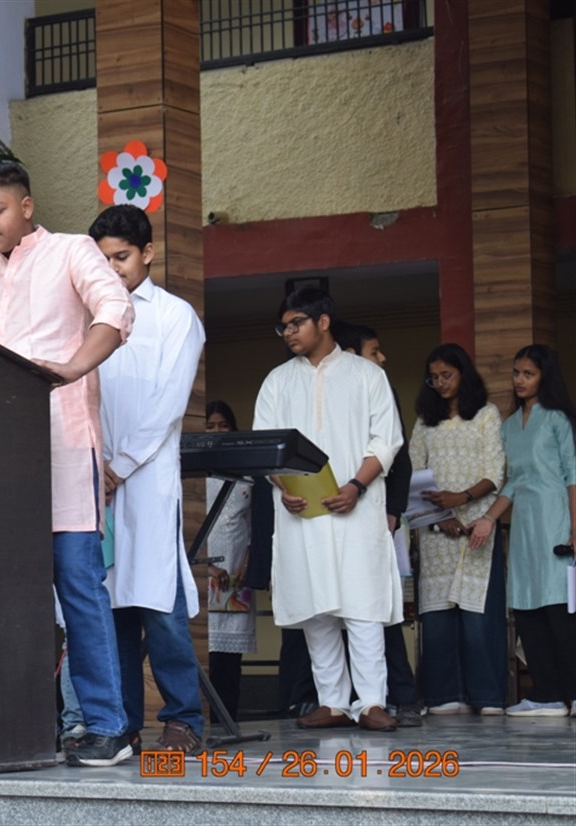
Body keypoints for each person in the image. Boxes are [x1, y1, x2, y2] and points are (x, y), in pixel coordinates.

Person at [0, 161, 135, 767]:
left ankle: (109, 726)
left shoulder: (71, 251)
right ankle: (24, 725)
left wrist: (74, 367)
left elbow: (115, 309)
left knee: (78, 586)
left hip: (64, 446)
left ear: (27, 206)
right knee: (7, 592)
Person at [253, 287, 403, 732]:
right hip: (300, 509)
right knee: (315, 605)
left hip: (357, 506)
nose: (288, 333)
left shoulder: (366, 375)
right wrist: (284, 488)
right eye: (283, 327)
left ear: (323, 322)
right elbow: (265, 447)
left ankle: (372, 701)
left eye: (296, 323)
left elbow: (387, 441)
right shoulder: (277, 381)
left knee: (362, 603)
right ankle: (333, 701)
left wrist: (356, 486)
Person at [89, 204, 206, 754]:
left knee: (159, 607)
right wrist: (95, 466)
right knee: (111, 609)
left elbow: (168, 405)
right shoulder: (90, 317)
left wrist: (120, 466)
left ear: (148, 253)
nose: (113, 269)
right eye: (104, 260)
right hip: (96, 482)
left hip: (147, 480)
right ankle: (123, 723)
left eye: (122, 257)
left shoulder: (176, 316)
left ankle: (183, 719)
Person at [469, 344, 576, 717]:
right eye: (516, 372)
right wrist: (487, 518)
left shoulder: (558, 420)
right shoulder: (510, 426)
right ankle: (547, 696)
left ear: (545, 377)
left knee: (560, 608)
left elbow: (573, 475)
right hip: (525, 528)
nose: (519, 380)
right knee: (528, 606)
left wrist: (575, 528)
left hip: (557, 521)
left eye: (528, 373)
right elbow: (512, 482)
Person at [332, 321, 424, 727]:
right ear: (351, 354)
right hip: (325, 514)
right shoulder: (318, 388)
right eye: (375, 351)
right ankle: (326, 700)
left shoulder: (379, 388)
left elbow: (398, 459)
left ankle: (398, 696)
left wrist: (393, 510)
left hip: (374, 513)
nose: (382, 358)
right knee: (324, 609)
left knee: (379, 608)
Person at [410, 343, 506, 715]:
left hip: (477, 528)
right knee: (438, 615)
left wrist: (461, 499)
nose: (440, 383)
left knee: (478, 616)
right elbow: (415, 473)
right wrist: (440, 516)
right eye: (433, 378)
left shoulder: (485, 414)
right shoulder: (425, 421)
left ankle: (486, 697)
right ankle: (443, 696)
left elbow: (495, 473)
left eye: (446, 375)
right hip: (436, 530)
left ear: (463, 374)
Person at [203, 401, 256, 723]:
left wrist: (248, 562)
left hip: (237, 570)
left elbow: (253, 522)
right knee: (204, 646)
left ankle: (227, 718)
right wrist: (204, 567)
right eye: (210, 426)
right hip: (202, 570)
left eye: (223, 426)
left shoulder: (246, 471)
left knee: (230, 654)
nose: (217, 431)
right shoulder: (191, 473)